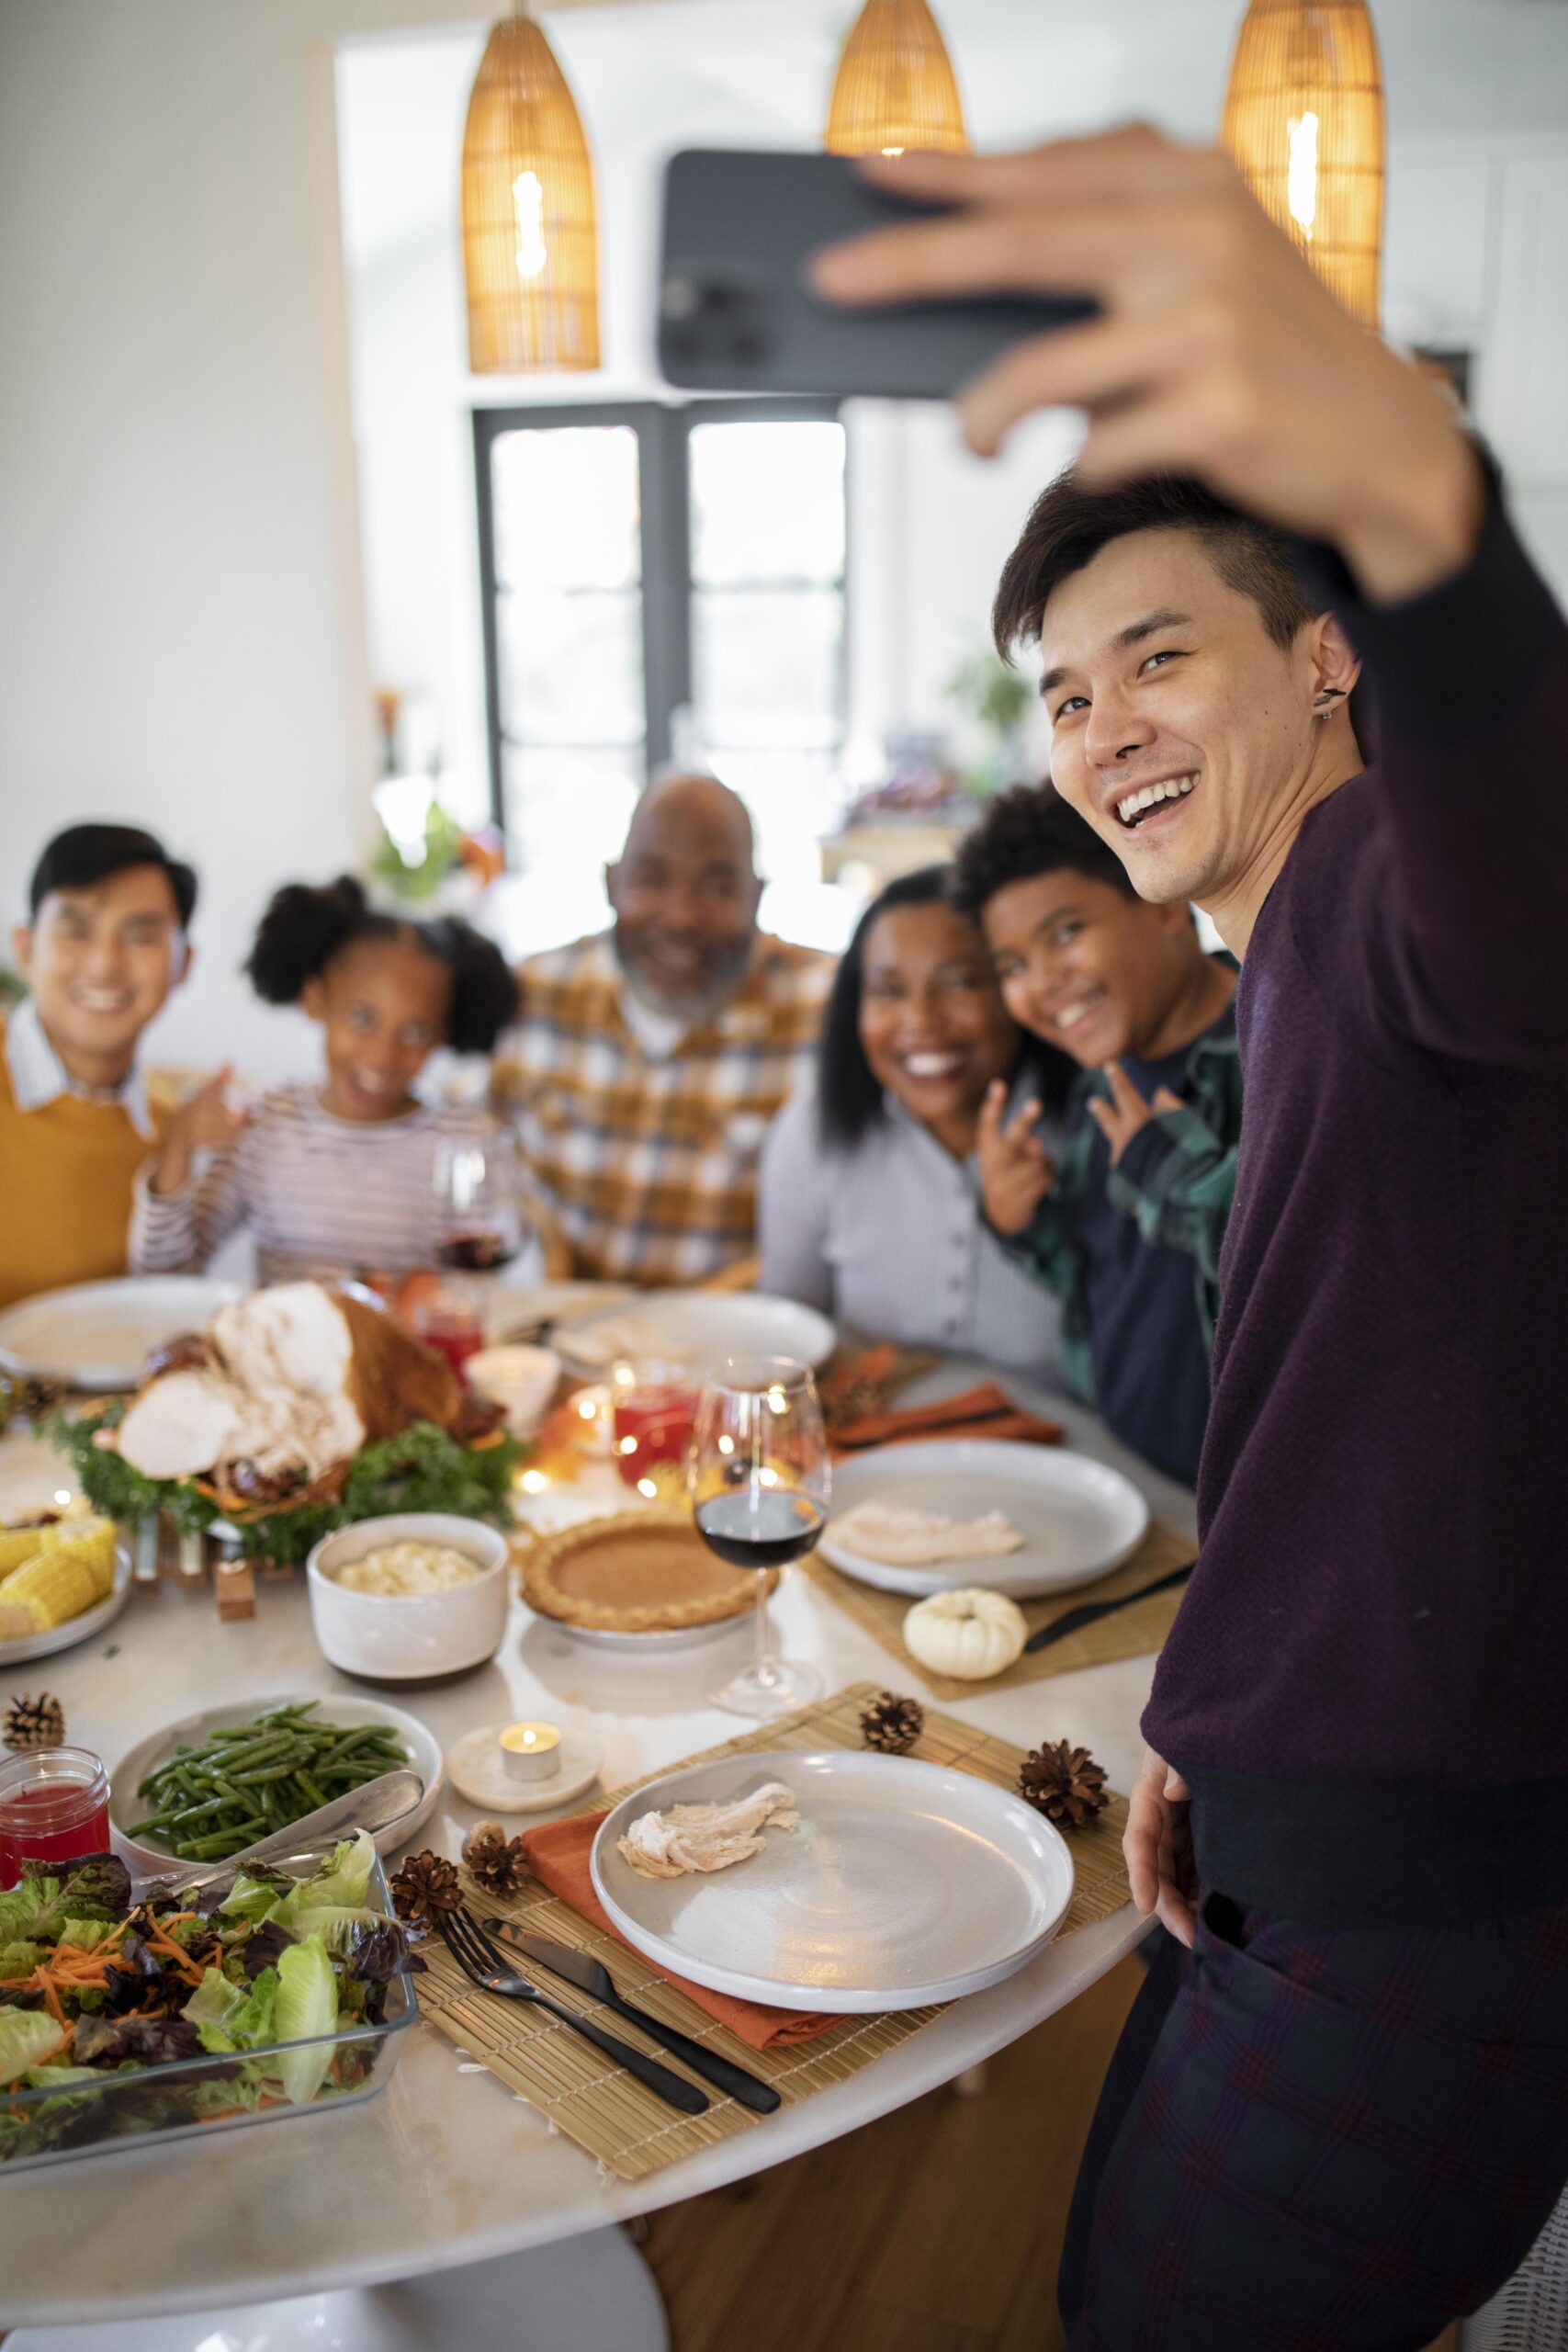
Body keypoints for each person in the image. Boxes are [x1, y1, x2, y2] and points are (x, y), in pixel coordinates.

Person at [815, 130, 1568, 2347]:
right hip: (1281, 1817)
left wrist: (1417, 485)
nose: (1095, 730)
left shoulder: (1367, 892)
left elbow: (1522, 868)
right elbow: (1359, 1411)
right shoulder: (1284, 970)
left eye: (1153, 658)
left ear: (1328, 660)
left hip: (1423, 1901)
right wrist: (1204, 1712)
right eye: (1060, 694)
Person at [953, 786, 1238, 1487]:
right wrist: (1021, 1219)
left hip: (1251, 1513)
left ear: (1164, 903)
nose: (1042, 984)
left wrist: (1176, 1182)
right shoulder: (1098, 1089)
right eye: (1012, 965)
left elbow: (1312, 1275)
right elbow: (1107, 1275)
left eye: (1065, 933)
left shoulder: (1277, 1055)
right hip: (1127, 1479)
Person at [491, 772, 832, 1284]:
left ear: (756, 897)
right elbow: (480, 1170)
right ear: (612, 885)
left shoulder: (828, 1012)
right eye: (652, 879)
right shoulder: (530, 995)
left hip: (737, 1348)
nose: (681, 917)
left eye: (719, 887)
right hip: (556, 1338)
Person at [130, 876, 521, 1284]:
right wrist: (177, 1151)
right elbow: (164, 1277)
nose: (383, 1056)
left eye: (416, 1032)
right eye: (363, 1018)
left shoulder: (467, 1140)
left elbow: (478, 1289)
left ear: (445, 1032)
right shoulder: (264, 1127)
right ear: (315, 1000)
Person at [758, 866, 1063, 1382]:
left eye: (960, 982)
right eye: (889, 991)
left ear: (1013, 987)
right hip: (877, 1447)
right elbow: (785, 1339)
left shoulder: (1092, 1125)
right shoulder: (812, 1134)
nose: (921, 1020)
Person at [1, 822, 197, 1310]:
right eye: (76, 931)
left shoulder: (170, 1138)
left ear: (183, 964)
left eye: (140, 936)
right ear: (25, 947)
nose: (105, 964)